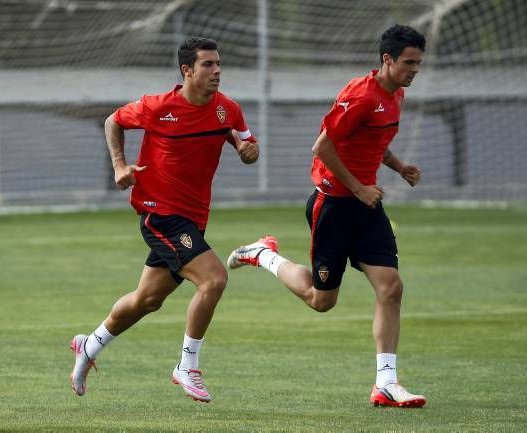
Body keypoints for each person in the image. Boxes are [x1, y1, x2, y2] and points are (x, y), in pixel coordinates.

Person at [227, 24, 427, 408]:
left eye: (418, 63)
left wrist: (399, 167)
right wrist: (359, 188)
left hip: (367, 207)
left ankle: (386, 382)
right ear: (387, 60)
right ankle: (262, 254)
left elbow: (372, 141)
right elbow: (323, 147)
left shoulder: (396, 94)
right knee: (321, 301)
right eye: (409, 63)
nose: (415, 70)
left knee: (391, 287)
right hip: (334, 205)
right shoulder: (361, 96)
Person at [69, 37, 259, 403]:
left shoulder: (227, 111)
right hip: (160, 214)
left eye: (218, 63)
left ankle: (88, 346)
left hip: (194, 219)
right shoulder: (159, 107)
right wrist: (120, 165)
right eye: (207, 64)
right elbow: (113, 121)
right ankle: (187, 366)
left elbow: (247, 148)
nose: (216, 70)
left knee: (146, 300)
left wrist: (248, 152)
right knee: (214, 279)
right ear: (187, 70)